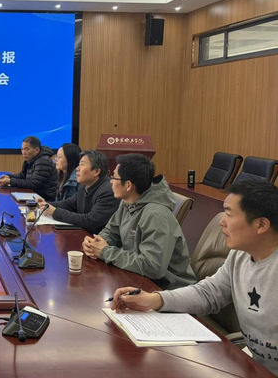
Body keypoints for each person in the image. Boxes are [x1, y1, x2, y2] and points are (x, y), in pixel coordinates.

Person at [110, 181, 278, 376]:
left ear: (261, 225)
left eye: (229, 214)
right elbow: (208, 293)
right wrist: (154, 299)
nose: (221, 222)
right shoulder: (239, 256)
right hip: (255, 368)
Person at [82, 153, 196, 290]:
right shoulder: (128, 202)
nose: (110, 181)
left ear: (128, 185)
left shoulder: (156, 216)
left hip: (168, 290)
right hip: (139, 280)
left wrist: (106, 252)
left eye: (114, 177)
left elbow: (153, 267)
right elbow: (112, 232)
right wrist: (95, 244)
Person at [37, 150, 119, 235]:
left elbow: (90, 221)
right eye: (79, 164)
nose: (77, 168)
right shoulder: (84, 185)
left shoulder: (108, 191)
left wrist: (55, 212)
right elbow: (68, 204)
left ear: (96, 171)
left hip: (96, 239)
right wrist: (45, 204)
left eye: (82, 164)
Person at [0, 136, 57, 201]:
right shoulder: (31, 159)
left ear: (36, 150)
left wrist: (10, 181)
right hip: (34, 194)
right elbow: (22, 176)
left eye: (26, 149)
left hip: (45, 199)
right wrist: (9, 176)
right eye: (22, 149)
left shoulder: (43, 161)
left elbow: (33, 184)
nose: (23, 152)